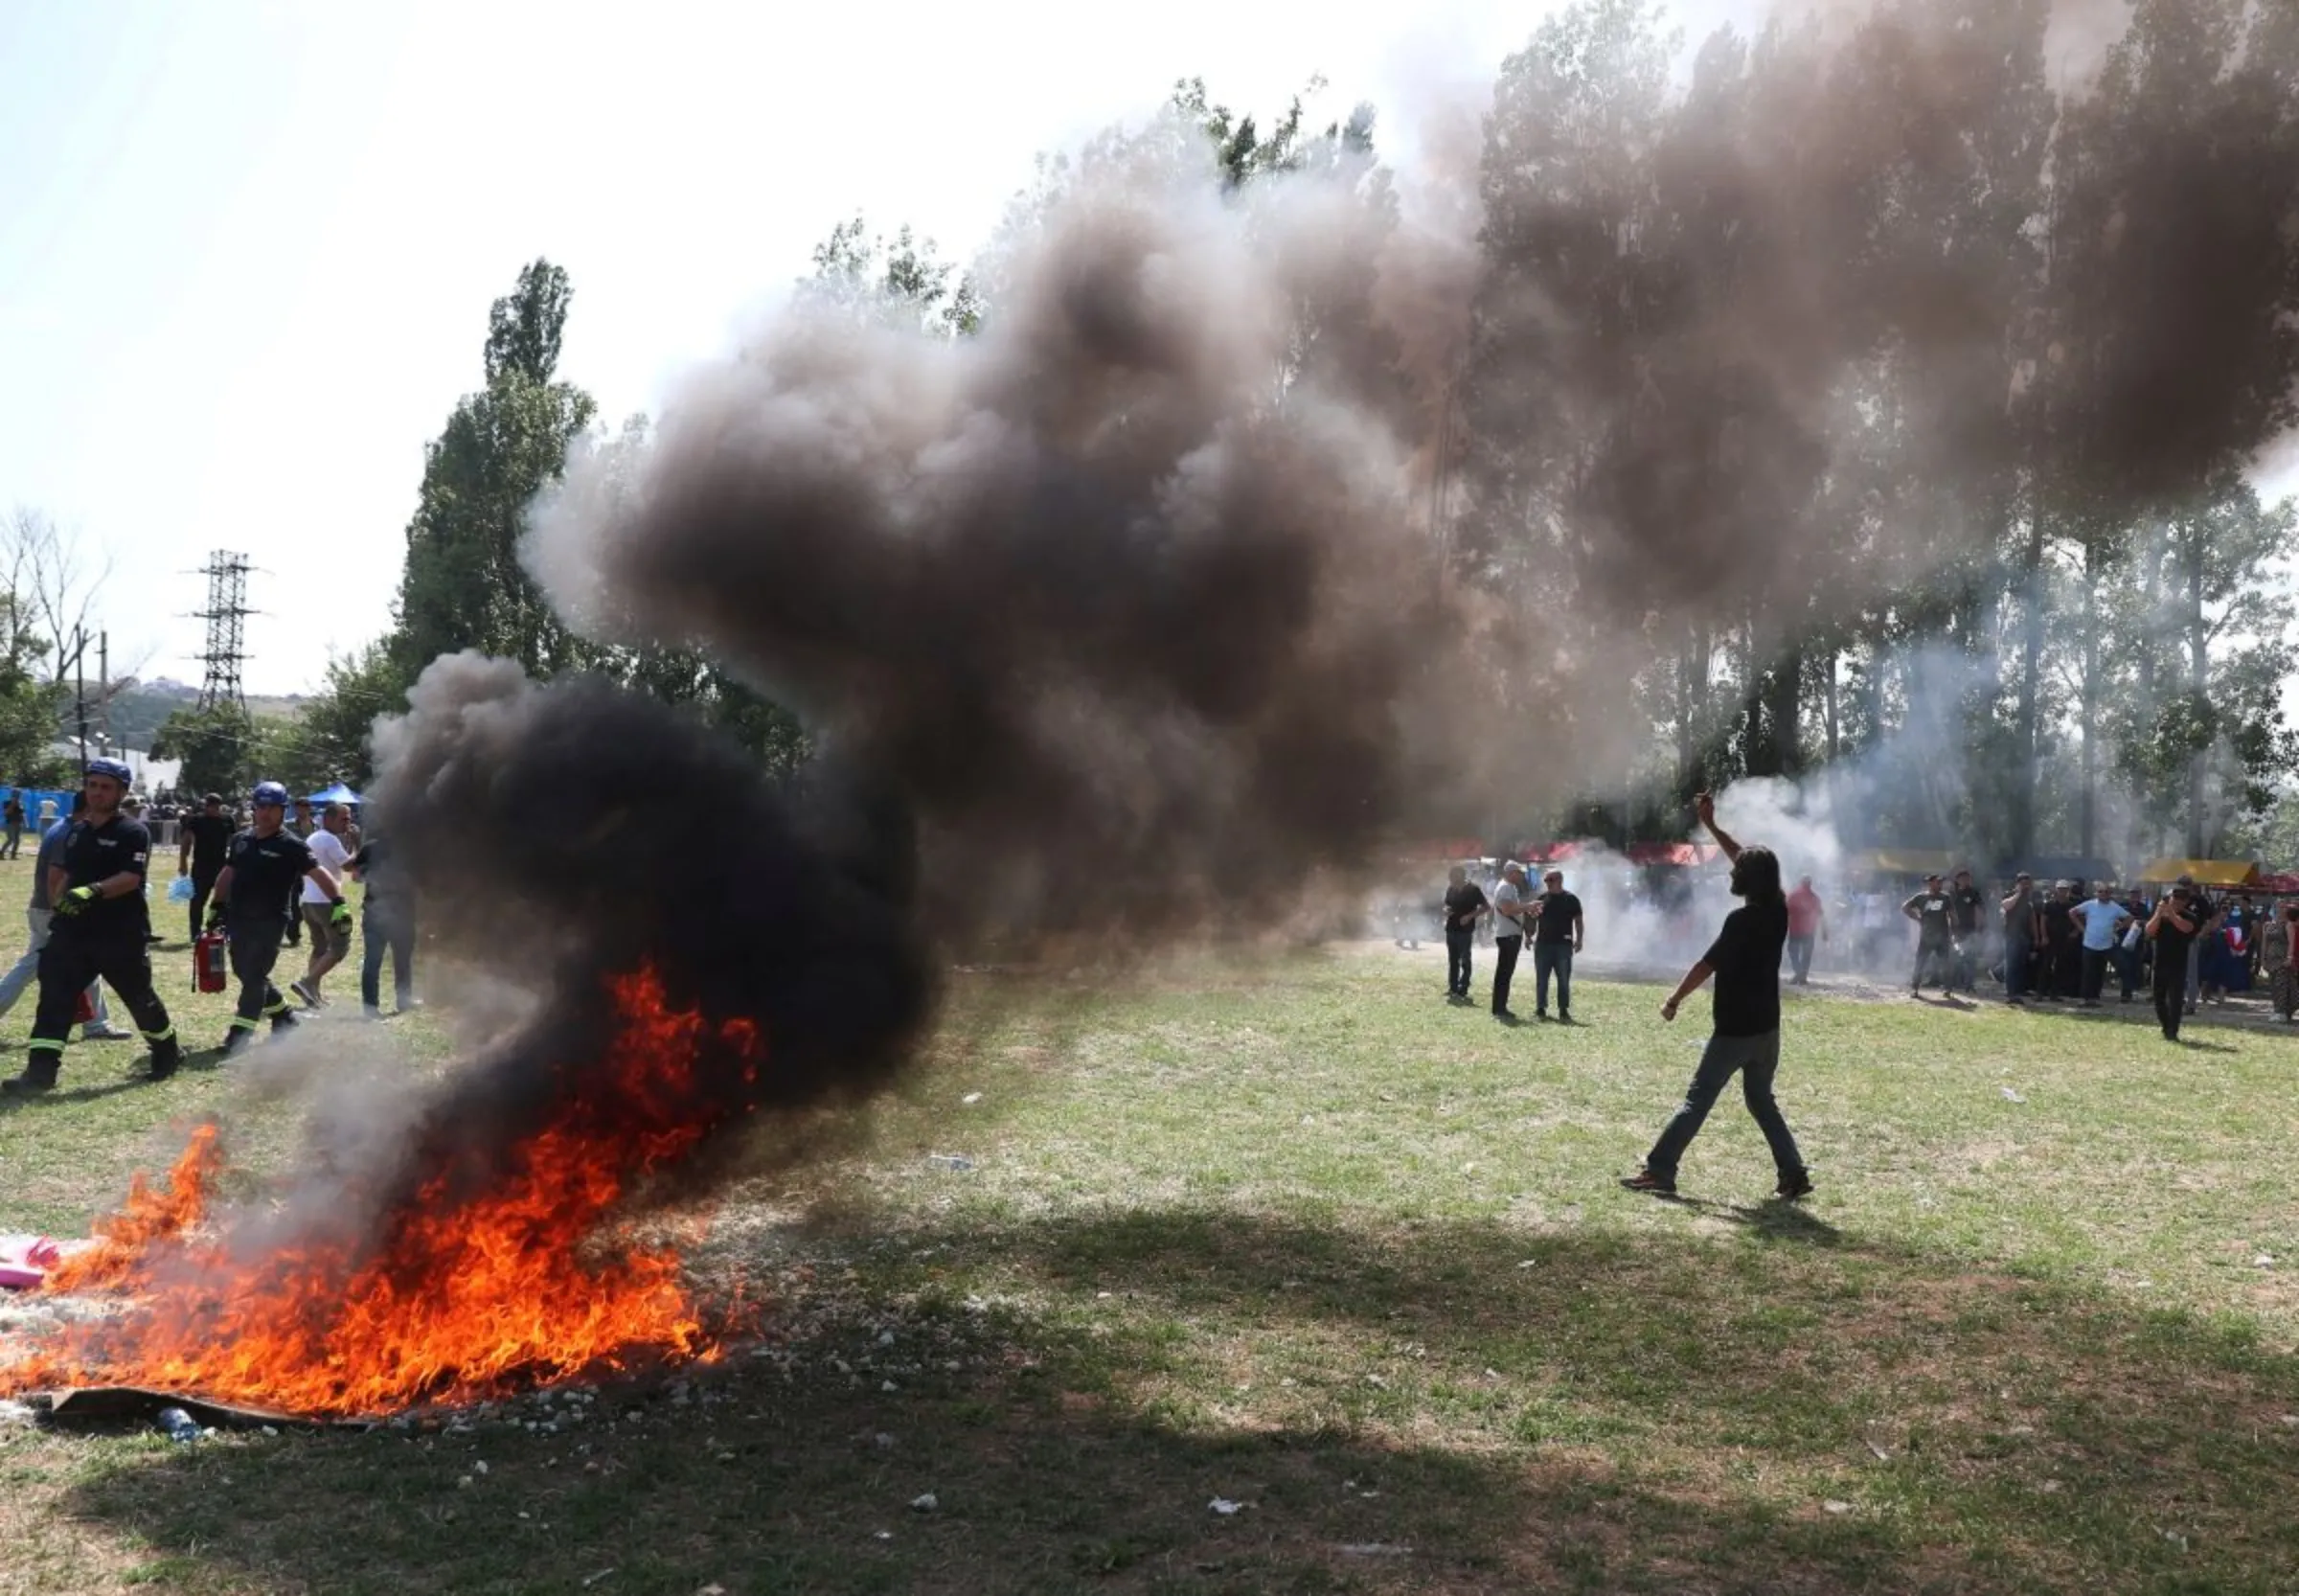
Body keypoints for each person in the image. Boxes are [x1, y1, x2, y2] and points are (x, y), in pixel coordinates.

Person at [1625, 792, 1810, 1200]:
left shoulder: (1741, 920)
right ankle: (1793, 1173)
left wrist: (1673, 1000)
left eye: (1736, 871)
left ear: (1747, 880)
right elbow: (1746, 857)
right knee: (1762, 1102)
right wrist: (1711, 826)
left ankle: (1659, 1170)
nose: (1731, 873)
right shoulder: (1778, 907)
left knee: (1697, 1101)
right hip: (1767, 1030)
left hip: (1735, 1030)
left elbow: (1706, 965)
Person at [3, 760, 180, 1093]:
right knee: (54, 996)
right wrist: (61, 903)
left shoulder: (132, 832)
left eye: (106, 787)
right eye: (93, 785)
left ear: (122, 792)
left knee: (139, 998)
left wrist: (94, 890)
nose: (97, 793)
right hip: (73, 933)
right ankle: (40, 1072)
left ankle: (167, 1052)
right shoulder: (77, 832)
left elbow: (131, 878)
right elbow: (66, 875)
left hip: (120, 934)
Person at [207, 782, 349, 1056]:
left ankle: (240, 1036)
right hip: (238, 916)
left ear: (284, 811)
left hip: (271, 920)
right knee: (245, 971)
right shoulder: (241, 840)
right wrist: (216, 905)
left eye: (273, 808)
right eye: (261, 806)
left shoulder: (292, 845)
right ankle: (284, 1016)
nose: (266, 813)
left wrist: (339, 903)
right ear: (254, 808)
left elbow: (320, 874)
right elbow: (228, 873)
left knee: (254, 975)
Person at [0, 792, 126, 1037]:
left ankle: (97, 1023)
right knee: (34, 967)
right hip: (53, 910)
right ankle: (97, 1024)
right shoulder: (69, 834)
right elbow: (55, 878)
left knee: (85, 962)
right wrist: (61, 912)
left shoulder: (63, 828)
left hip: (47, 909)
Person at [291, 802, 356, 1007]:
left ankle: (312, 995)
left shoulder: (314, 837)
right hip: (326, 901)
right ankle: (307, 982)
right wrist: (357, 844)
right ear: (328, 819)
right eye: (343, 819)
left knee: (319, 947)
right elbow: (348, 866)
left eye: (349, 818)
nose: (348, 823)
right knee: (340, 946)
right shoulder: (329, 839)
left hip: (308, 900)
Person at [350, 833, 416, 1018]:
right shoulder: (411, 849)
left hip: (390, 911)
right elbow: (356, 876)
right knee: (389, 960)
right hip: (386, 912)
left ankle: (378, 1006)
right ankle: (397, 1001)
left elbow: (355, 876)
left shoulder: (372, 847)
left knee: (380, 960)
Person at [176, 792, 236, 946]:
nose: (213, 809)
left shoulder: (227, 820)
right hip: (201, 867)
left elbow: (234, 841)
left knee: (222, 901)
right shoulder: (196, 820)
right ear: (206, 805)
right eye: (210, 806)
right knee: (197, 902)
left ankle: (217, 928)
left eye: (216, 806)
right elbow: (186, 841)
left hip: (221, 867)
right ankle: (195, 932)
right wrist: (183, 861)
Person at [1532, 868, 1584, 1022]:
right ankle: (1541, 1008)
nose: (1547, 883)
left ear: (1559, 880)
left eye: (1550, 880)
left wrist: (1579, 939)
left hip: (1563, 946)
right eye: (1546, 880)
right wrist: (1528, 935)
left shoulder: (1571, 899)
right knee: (1541, 979)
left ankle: (1563, 1009)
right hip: (1542, 944)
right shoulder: (1541, 899)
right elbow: (1532, 918)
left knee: (1563, 979)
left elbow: (1579, 921)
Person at [2070, 882, 2133, 1006]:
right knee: (2088, 972)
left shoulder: (2114, 907)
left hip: (2107, 945)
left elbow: (2130, 917)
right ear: (2096, 893)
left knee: (2107, 970)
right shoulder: (2090, 904)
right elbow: (2072, 912)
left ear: (2110, 894)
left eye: (2106, 892)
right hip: (2089, 943)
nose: (2103, 894)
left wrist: (2120, 926)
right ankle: (2086, 998)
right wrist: (2081, 928)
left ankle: (2103, 996)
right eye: (2101, 892)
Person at [1490, 860, 1531, 1022]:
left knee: (1505, 973)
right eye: (1519, 873)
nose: (1522, 876)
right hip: (1508, 936)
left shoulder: (1510, 887)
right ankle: (1499, 1008)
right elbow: (1507, 910)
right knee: (1504, 973)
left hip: (1511, 934)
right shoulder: (1505, 887)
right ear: (1511, 873)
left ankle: (1500, 1006)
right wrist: (1529, 906)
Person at [1902, 873, 1955, 996]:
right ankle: (1915, 987)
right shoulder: (1921, 897)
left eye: (1941, 882)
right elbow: (1905, 907)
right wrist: (1917, 918)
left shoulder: (1945, 897)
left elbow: (1953, 915)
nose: (1940, 884)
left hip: (1942, 935)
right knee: (1920, 962)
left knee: (1945, 963)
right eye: (1938, 882)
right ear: (1930, 883)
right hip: (1927, 936)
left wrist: (1954, 931)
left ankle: (1947, 988)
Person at [1440, 864, 1488, 1002]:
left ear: (1461, 876)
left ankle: (1463, 987)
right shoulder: (1451, 889)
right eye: (1450, 878)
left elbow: (1486, 907)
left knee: (1465, 960)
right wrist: (1445, 910)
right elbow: (1446, 904)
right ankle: (1453, 987)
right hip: (1451, 928)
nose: (1451, 880)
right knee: (1452, 960)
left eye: (1453, 877)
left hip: (1465, 931)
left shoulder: (1473, 889)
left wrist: (1470, 916)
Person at [1999, 873, 2039, 1002]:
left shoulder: (2029, 899)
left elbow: (2032, 918)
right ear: (2017, 884)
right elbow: (2006, 906)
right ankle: (2010, 992)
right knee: (2011, 965)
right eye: (2023, 883)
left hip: (2024, 936)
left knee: (2021, 965)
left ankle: (2019, 990)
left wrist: (2036, 937)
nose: (2026, 885)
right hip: (2011, 935)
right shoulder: (2009, 895)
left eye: (2028, 883)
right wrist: (2018, 893)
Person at [1947, 868, 1984, 992]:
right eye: (1963, 878)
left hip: (1970, 929)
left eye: (1968, 878)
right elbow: (1949, 912)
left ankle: (1969, 984)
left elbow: (1978, 910)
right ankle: (1952, 983)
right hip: (1955, 930)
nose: (1966, 880)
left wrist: (1978, 928)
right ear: (1957, 880)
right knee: (1955, 956)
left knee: (1970, 957)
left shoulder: (1974, 893)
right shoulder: (1952, 894)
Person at [1785, 876, 1826, 985]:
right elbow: (1821, 915)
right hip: (1809, 931)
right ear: (1810, 884)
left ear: (1800, 882)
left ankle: (1798, 972)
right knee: (1806, 954)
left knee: (1793, 952)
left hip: (1795, 930)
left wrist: (1783, 927)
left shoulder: (1793, 896)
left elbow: (1786, 913)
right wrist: (1824, 931)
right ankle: (1803, 976)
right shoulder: (1815, 898)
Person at [2, 790, 22, 860]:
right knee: (11, 839)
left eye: (19, 795)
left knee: (17, 841)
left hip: (18, 824)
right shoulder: (7, 802)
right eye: (16, 795)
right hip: (10, 823)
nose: (18, 796)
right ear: (12, 795)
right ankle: (1, 853)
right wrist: (12, 804)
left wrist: (25, 822)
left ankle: (13, 855)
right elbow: (6, 813)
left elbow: (21, 813)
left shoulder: (20, 803)